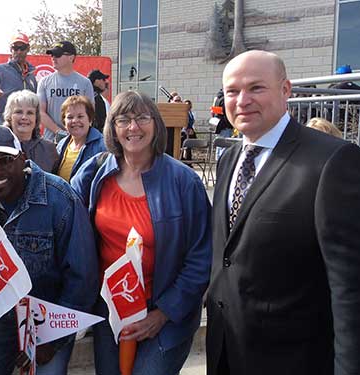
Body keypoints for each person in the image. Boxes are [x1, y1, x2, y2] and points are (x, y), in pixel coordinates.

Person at [206, 50, 360, 375]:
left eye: (256, 88)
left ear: (285, 90)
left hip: (292, 359)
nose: (242, 100)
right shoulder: (229, 159)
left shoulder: (332, 161)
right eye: (232, 91)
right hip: (225, 351)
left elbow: (349, 287)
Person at [71, 91, 212, 375]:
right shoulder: (96, 171)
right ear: (112, 128)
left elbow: (202, 257)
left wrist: (163, 314)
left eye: (142, 118)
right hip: (110, 308)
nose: (133, 127)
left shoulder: (184, 181)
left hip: (162, 311)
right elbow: (63, 210)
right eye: (123, 120)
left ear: (156, 124)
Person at [0, 125, 99, 374]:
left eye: (5, 160)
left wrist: (51, 340)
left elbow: (83, 276)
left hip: (52, 317)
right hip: (2, 316)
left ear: (22, 158)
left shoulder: (60, 199)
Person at [38, 41, 94, 142]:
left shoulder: (85, 83)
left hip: (78, 141)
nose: (53, 58)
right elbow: (40, 112)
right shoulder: (44, 82)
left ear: (71, 57)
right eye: (52, 55)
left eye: (58, 55)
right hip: (51, 141)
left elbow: (90, 113)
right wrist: (58, 131)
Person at [0, 32, 37, 125]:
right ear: (11, 49)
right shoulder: (0, 70)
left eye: (22, 48)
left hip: (27, 128)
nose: (18, 52)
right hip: (6, 127)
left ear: (28, 49)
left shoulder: (31, 74)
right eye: (15, 48)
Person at [3, 89, 59, 173]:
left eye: (30, 113)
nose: (24, 117)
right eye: (19, 112)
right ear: (9, 116)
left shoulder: (49, 149)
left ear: (36, 118)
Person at [56, 95, 106, 182]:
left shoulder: (103, 146)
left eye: (80, 116)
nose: (75, 121)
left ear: (90, 119)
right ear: (64, 122)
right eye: (70, 117)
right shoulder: (61, 145)